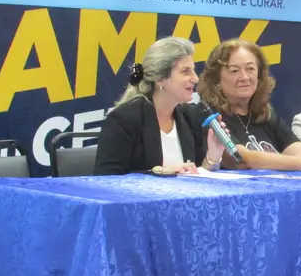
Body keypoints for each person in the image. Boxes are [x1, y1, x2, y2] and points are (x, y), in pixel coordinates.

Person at [197, 39, 301, 174]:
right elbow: (241, 159)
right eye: (234, 71)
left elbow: (297, 149)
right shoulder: (210, 113)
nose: (245, 77)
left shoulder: (265, 113)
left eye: (250, 69)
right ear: (217, 79)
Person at [94, 37, 226, 175]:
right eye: (185, 71)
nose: (195, 78)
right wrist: (160, 172)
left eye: (193, 70)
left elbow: (198, 176)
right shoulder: (124, 119)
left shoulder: (190, 116)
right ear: (160, 79)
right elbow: (105, 179)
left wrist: (214, 155)